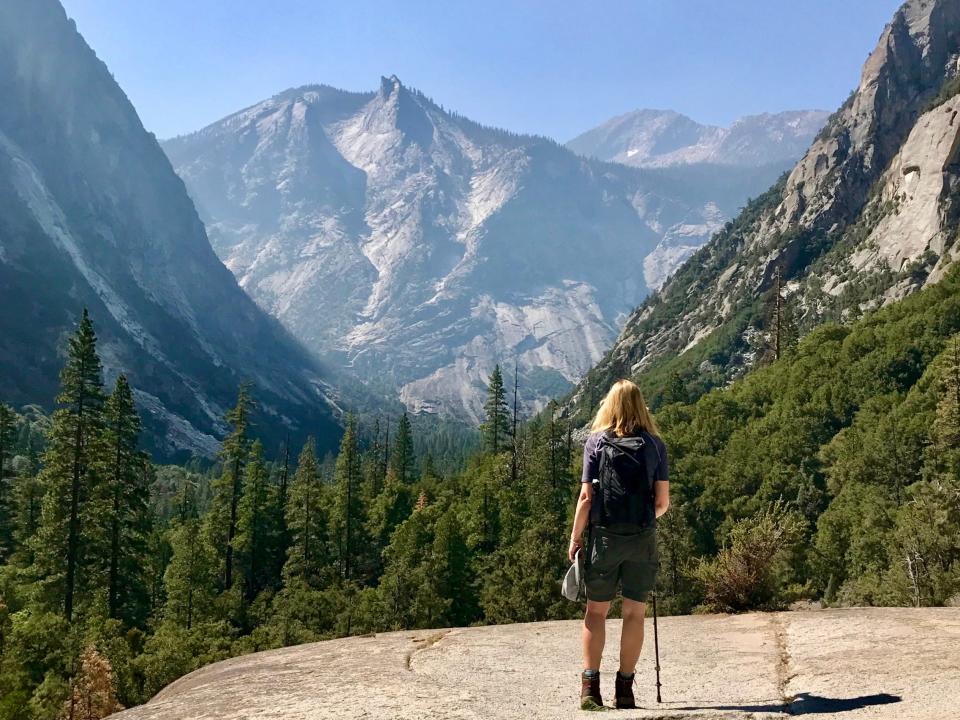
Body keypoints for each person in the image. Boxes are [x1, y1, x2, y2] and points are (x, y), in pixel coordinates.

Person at [568, 378, 670, 710]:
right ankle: (625, 689)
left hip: (604, 539)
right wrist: (644, 522)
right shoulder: (655, 445)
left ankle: (589, 688)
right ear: (641, 405)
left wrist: (576, 538)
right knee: (634, 614)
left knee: (596, 612)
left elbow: (586, 498)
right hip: (641, 538)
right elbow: (663, 502)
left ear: (609, 405)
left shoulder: (596, 442)